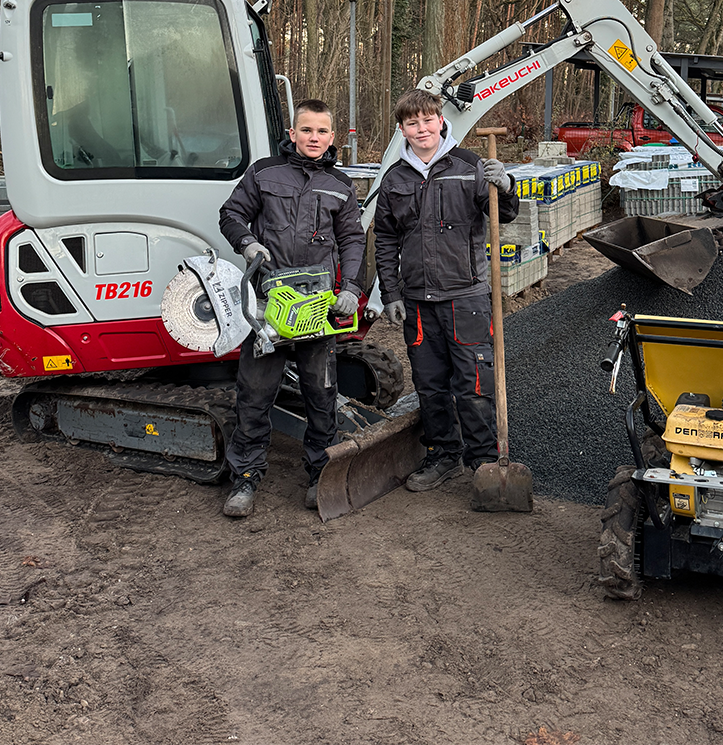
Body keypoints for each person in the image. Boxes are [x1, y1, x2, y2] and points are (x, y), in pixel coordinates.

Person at [218, 99, 366, 515]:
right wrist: (247, 244)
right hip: (269, 305)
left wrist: (352, 288)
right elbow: (231, 214)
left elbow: (354, 240)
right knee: (255, 393)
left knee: (321, 393)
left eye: (322, 131)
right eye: (307, 130)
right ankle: (245, 479)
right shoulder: (265, 173)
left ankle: (321, 473)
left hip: (317, 307)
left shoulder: (340, 186)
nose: (314, 138)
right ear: (293, 133)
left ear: (332, 137)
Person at [373, 88, 520, 491]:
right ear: (402, 129)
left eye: (427, 120)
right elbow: (384, 239)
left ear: (440, 120)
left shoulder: (469, 165)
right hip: (418, 300)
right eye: (411, 123)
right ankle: (443, 455)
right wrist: (391, 293)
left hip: (466, 296)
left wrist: (505, 186)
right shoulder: (395, 178)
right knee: (430, 384)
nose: (421, 129)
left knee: (473, 384)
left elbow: (503, 213)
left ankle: (484, 462)